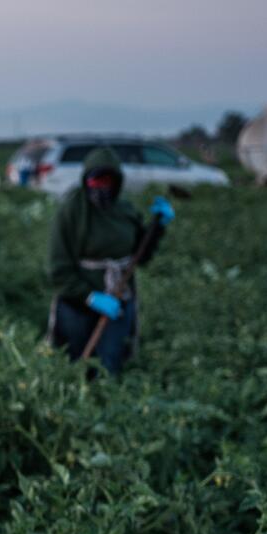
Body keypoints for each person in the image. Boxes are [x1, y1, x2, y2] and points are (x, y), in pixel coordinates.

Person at [45, 146, 173, 377]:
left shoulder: (124, 211)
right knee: (75, 363)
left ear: (117, 183)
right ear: (86, 181)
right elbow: (58, 269)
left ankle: (105, 406)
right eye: (96, 181)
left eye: (108, 181)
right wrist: (90, 297)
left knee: (110, 364)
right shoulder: (71, 213)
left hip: (117, 297)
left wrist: (157, 227)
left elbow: (139, 256)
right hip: (77, 303)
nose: (102, 188)